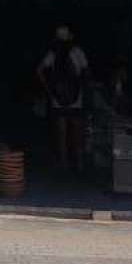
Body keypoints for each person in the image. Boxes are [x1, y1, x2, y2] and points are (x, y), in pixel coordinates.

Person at [37, 25, 89, 171]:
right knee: (77, 130)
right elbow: (86, 72)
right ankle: (79, 162)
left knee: (61, 132)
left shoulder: (53, 52)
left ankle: (64, 162)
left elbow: (39, 70)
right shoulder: (77, 51)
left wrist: (48, 89)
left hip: (58, 98)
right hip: (76, 97)